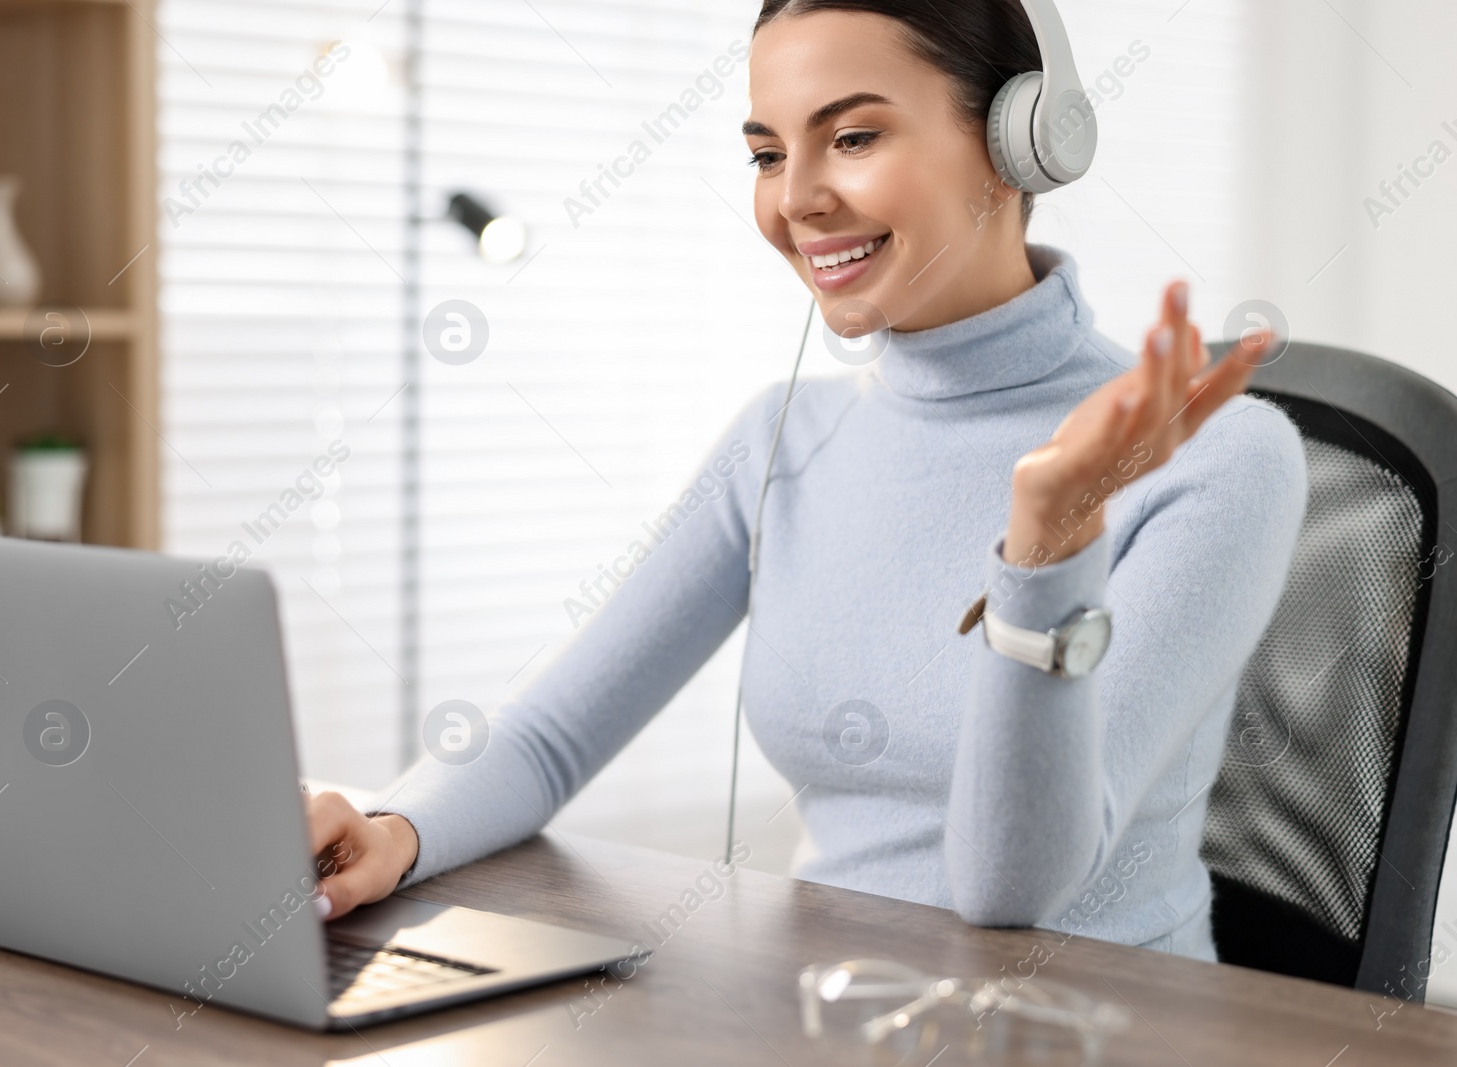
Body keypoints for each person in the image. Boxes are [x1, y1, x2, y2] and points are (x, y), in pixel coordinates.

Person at [303, 0, 1306, 960]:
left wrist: (1047, 540)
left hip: (1091, 1029)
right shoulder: (785, 437)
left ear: (1015, 145)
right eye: (767, 153)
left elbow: (1011, 893)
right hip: (831, 1008)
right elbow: (554, 732)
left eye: (854, 138)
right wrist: (400, 827)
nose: (794, 199)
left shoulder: (1218, 456)